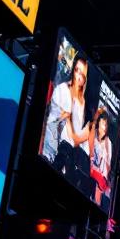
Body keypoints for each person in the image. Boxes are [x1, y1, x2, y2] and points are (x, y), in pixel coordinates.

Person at [45, 54, 91, 184]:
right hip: (53, 149)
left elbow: (76, 137)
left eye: (82, 74)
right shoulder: (63, 89)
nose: (79, 77)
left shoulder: (82, 102)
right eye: (77, 70)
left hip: (70, 157)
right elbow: (52, 119)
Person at [88, 109, 112, 204]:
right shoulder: (93, 133)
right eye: (103, 124)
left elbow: (108, 165)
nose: (105, 127)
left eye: (106, 125)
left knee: (98, 193)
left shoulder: (108, 142)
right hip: (90, 168)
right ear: (99, 123)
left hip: (100, 175)